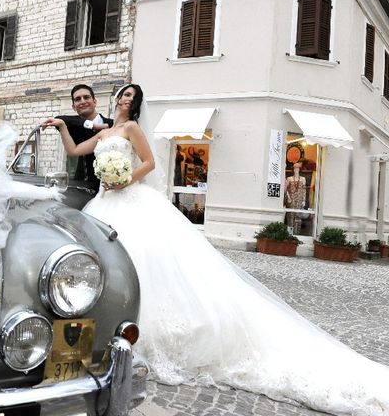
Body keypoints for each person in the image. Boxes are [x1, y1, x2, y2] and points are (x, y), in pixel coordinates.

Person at [42, 83, 389, 416]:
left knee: (145, 263)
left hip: (127, 197)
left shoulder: (132, 128)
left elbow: (147, 163)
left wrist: (124, 179)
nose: (123, 99)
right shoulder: (102, 133)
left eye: (129, 96)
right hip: (105, 203)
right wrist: (60, 126)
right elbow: (74, 151)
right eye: (121, 94)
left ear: (134, 104)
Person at [55, 84, 113, 186]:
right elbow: (58, 119)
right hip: (83, 186)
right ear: (73, 107)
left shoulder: (112, 125)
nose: (82, 101)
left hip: (113, 185)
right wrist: (92, 125)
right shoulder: (74, 127)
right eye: (78, 99)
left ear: (95, 101)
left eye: (86, 97)